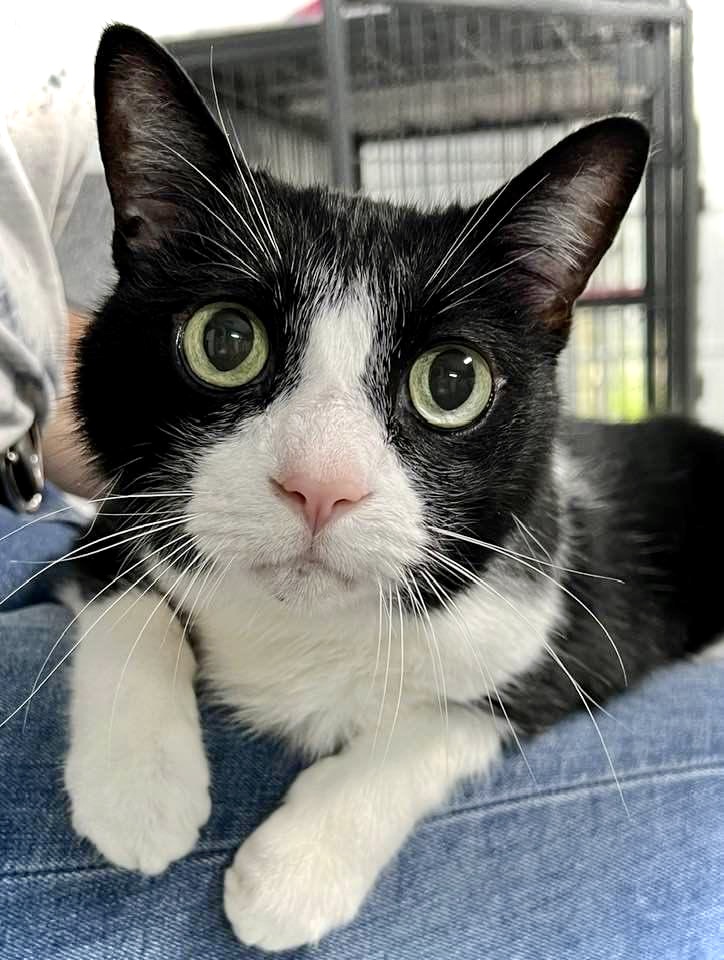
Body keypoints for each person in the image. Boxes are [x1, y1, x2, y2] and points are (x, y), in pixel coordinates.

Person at [1, 21, 723, 960]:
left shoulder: (508, 612)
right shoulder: (166, 516)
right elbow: (106, 556)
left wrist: (382, 790)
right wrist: (137, 666)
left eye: (446, 384)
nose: (320, 482)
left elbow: (519, 690)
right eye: (231, 345)